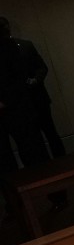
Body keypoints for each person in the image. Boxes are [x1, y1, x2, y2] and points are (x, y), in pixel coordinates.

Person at [0, 18, 48, 173]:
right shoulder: (8, 45)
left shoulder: (7, 45)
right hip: (15, 104)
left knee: (30, 150)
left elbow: (18, 75)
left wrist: (6, 100)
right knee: (20, 153)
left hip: (15, 106)